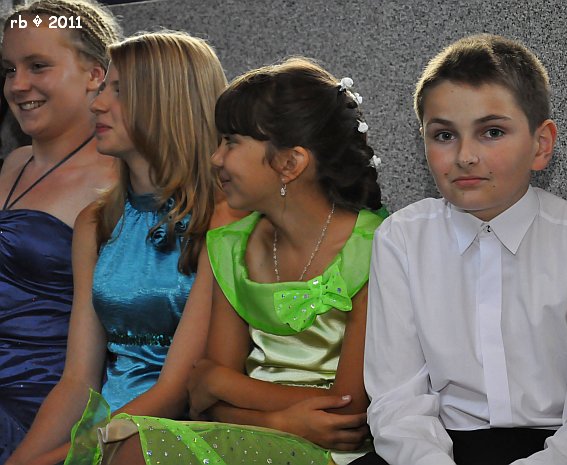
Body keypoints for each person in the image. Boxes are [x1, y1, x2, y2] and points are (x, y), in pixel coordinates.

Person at [362, 34, 567, 465]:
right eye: (444, 135)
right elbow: (398, 402)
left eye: (492, 132)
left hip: (561, 447)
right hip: (437, 446)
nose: (465, 156)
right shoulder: (400, 239)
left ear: (541, 145)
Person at [96, 57, 385, 465]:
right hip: (264, 433)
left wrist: (222, 382)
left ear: (290, 163)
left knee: (137, 452)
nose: (215, 158)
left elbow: (346, 410)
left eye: (231, 142)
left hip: (338, 455)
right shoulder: (231, 246)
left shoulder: (374, 246)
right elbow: (202, 403)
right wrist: (279, 421)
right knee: (127, 443)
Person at [7, 31, 243, 465]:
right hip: (105, 428)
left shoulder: (223, 220)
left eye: (117, 91)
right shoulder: (96, 222)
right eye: (101, 89)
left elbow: (174, 391)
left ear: (166, 102)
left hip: (176, 435)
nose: (96, 104)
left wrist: (61, 458)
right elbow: (77, 382)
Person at [0, 1, 120, 460]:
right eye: (9, 69)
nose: (18, 85)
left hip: (41, 409)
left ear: (94, 74)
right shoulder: (13, 164)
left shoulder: (117, 181)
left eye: (38, 66)